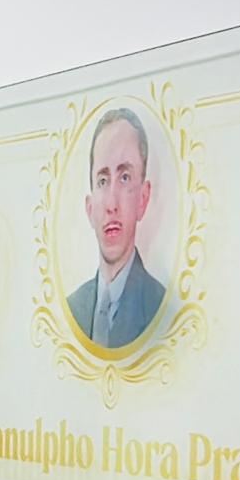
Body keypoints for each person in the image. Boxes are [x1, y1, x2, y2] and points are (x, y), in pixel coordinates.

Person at [67, 107, 166, 347]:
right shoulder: (71, 309)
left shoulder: (160, 308)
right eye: (102, 181)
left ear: (143, 199)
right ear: (90, 208)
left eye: (124, 178)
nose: (111, 204)